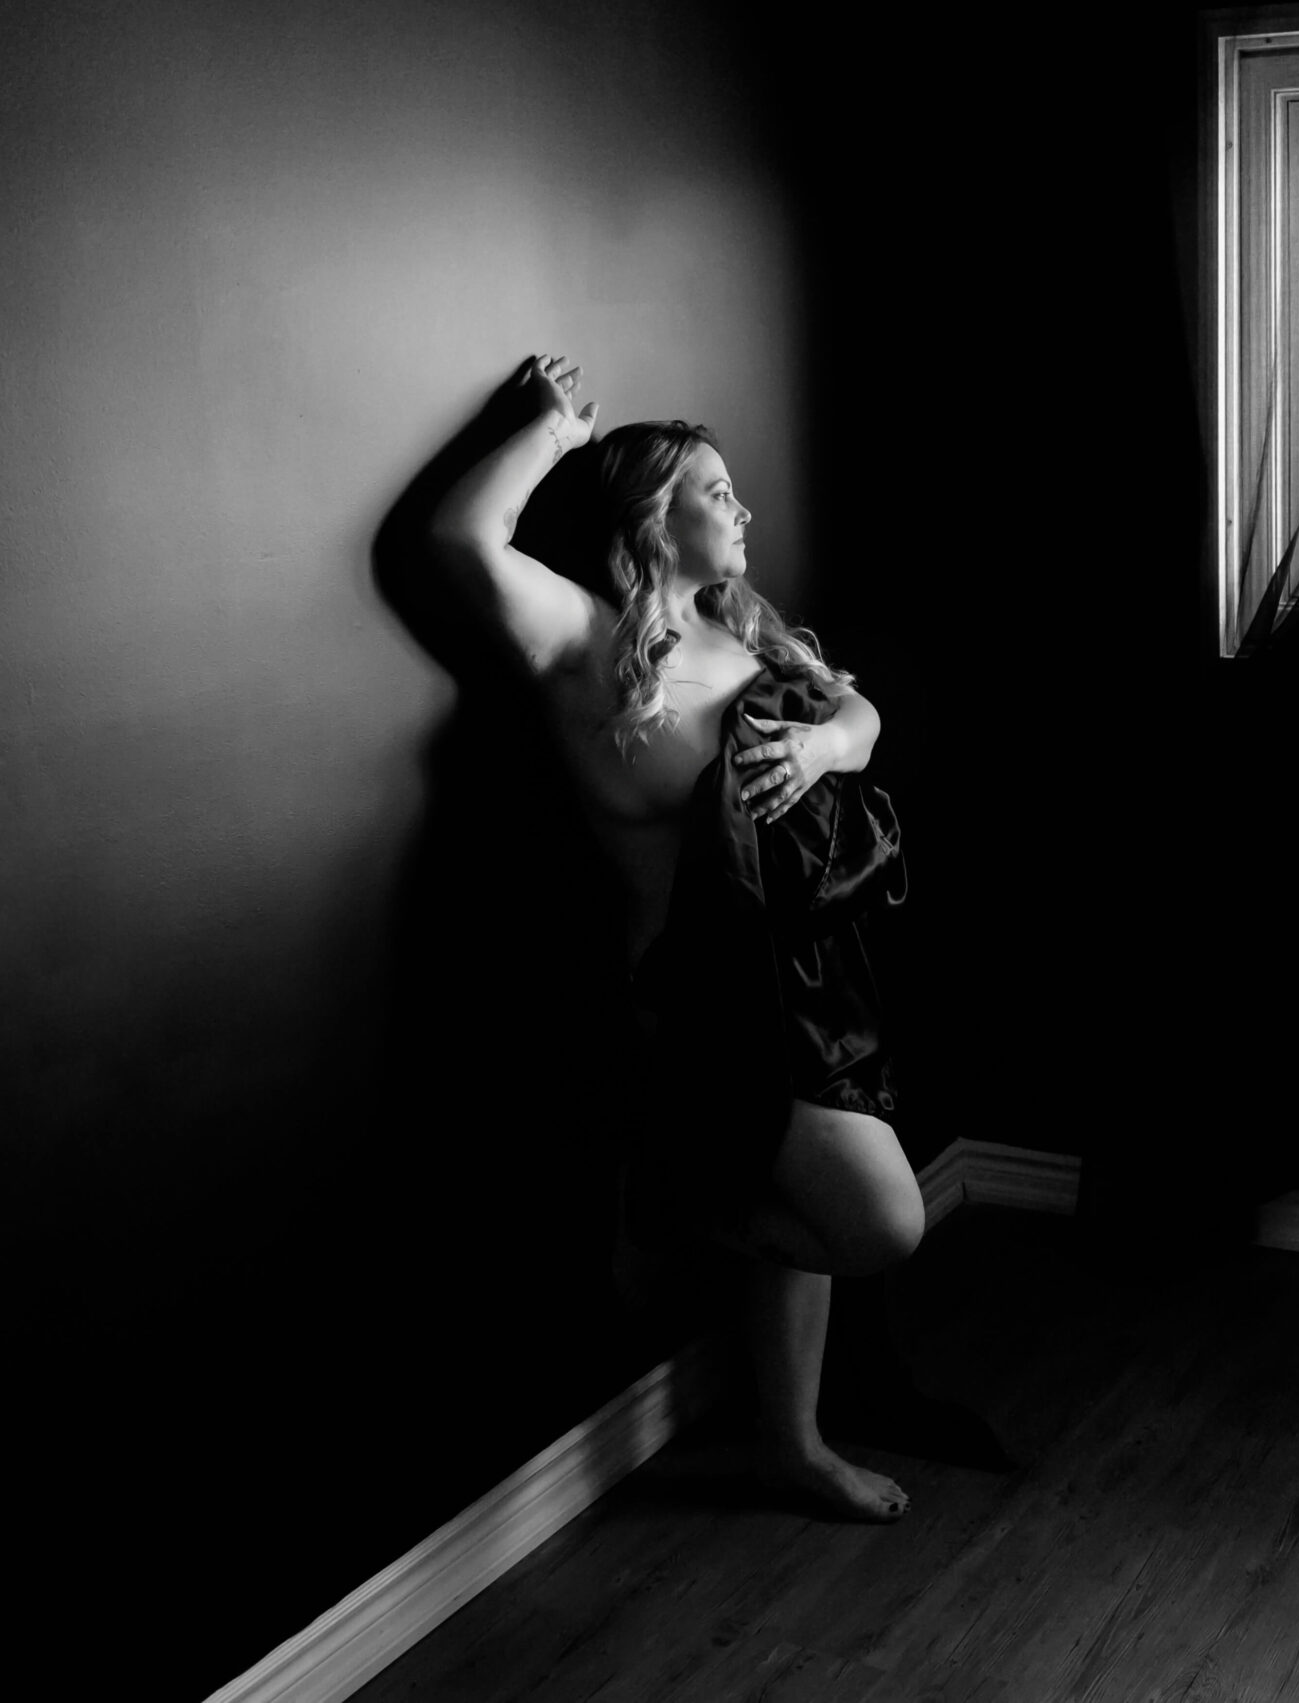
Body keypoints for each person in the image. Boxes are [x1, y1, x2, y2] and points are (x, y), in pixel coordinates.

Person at [428, 353, 921, 1522]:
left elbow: (862, 711)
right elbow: (459, 540)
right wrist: (549, 429)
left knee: (811, 1218)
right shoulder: (588, 641)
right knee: (885, 1220)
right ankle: (664, 1216)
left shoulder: (740, 624)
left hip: (811, 986)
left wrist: (823, 747)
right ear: (655, 514)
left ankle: (788, 1443)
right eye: (716, 489)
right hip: (701, 1005)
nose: (743, 509)